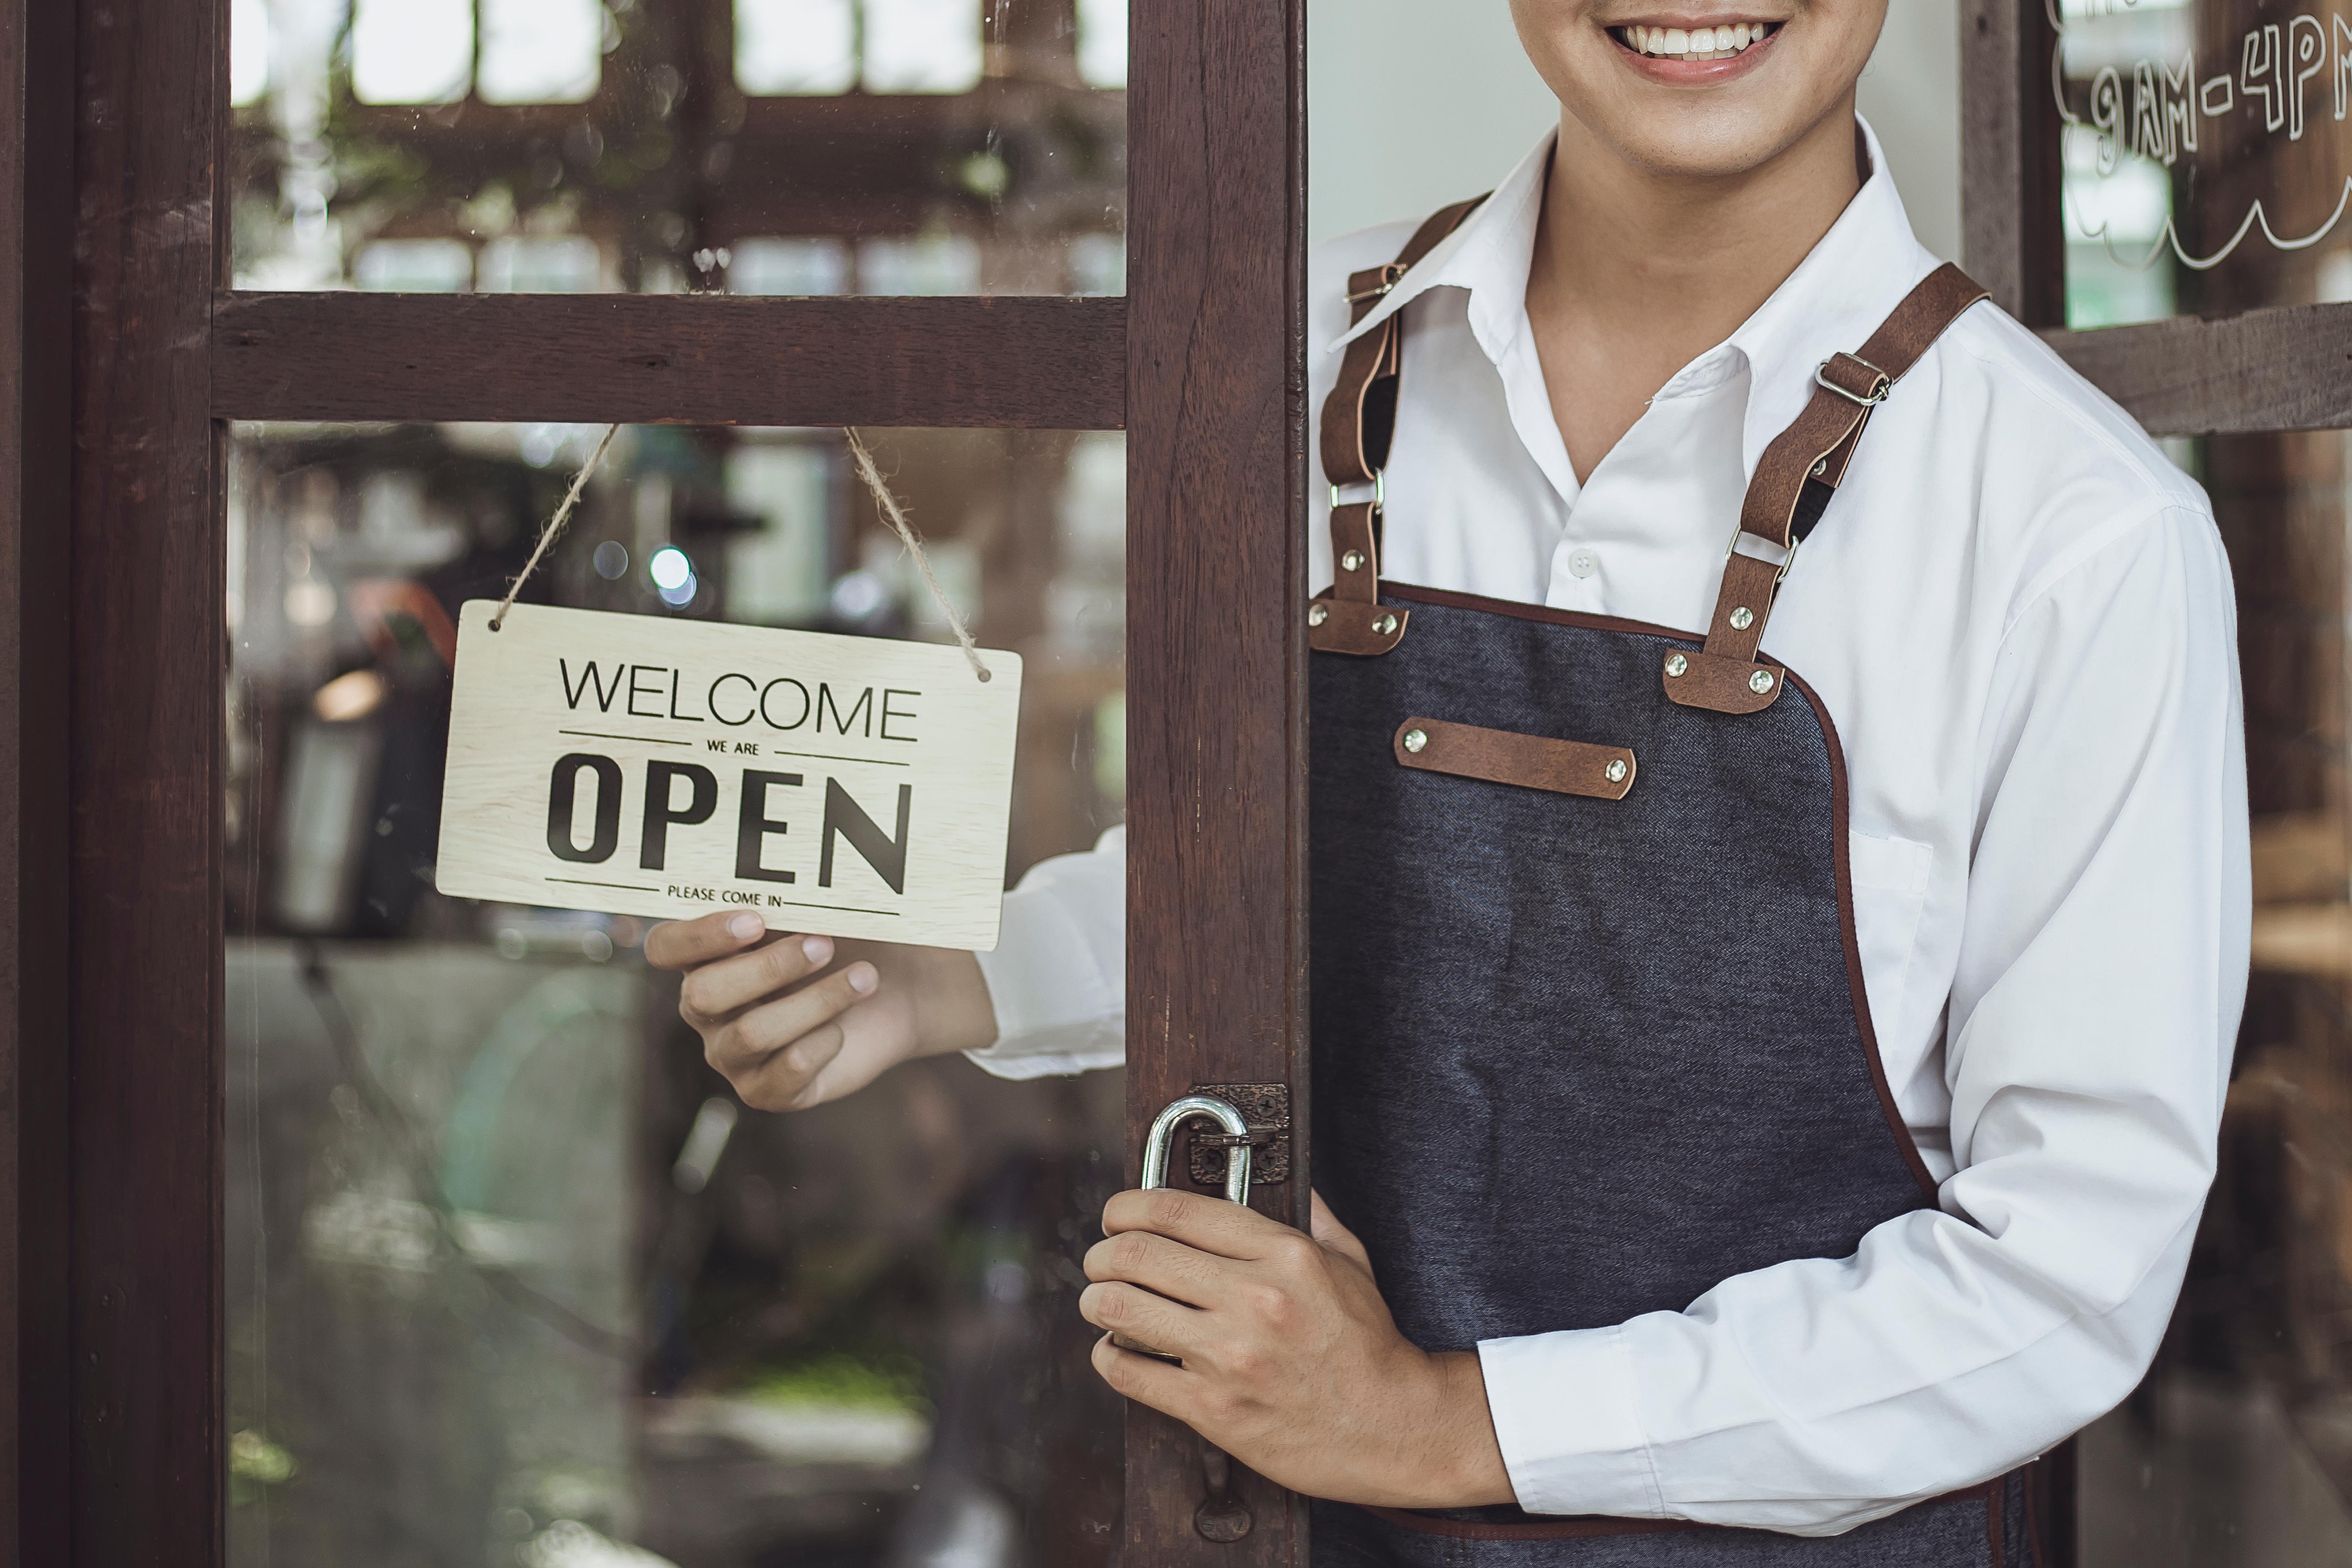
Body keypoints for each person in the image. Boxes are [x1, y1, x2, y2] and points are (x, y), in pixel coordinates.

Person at [646, 2, 2250, 1561]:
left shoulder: (2076, 526)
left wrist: (1437, 1424)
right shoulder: (1283, 350)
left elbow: (2064, 1273)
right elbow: (1302, 872)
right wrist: (943, 976)